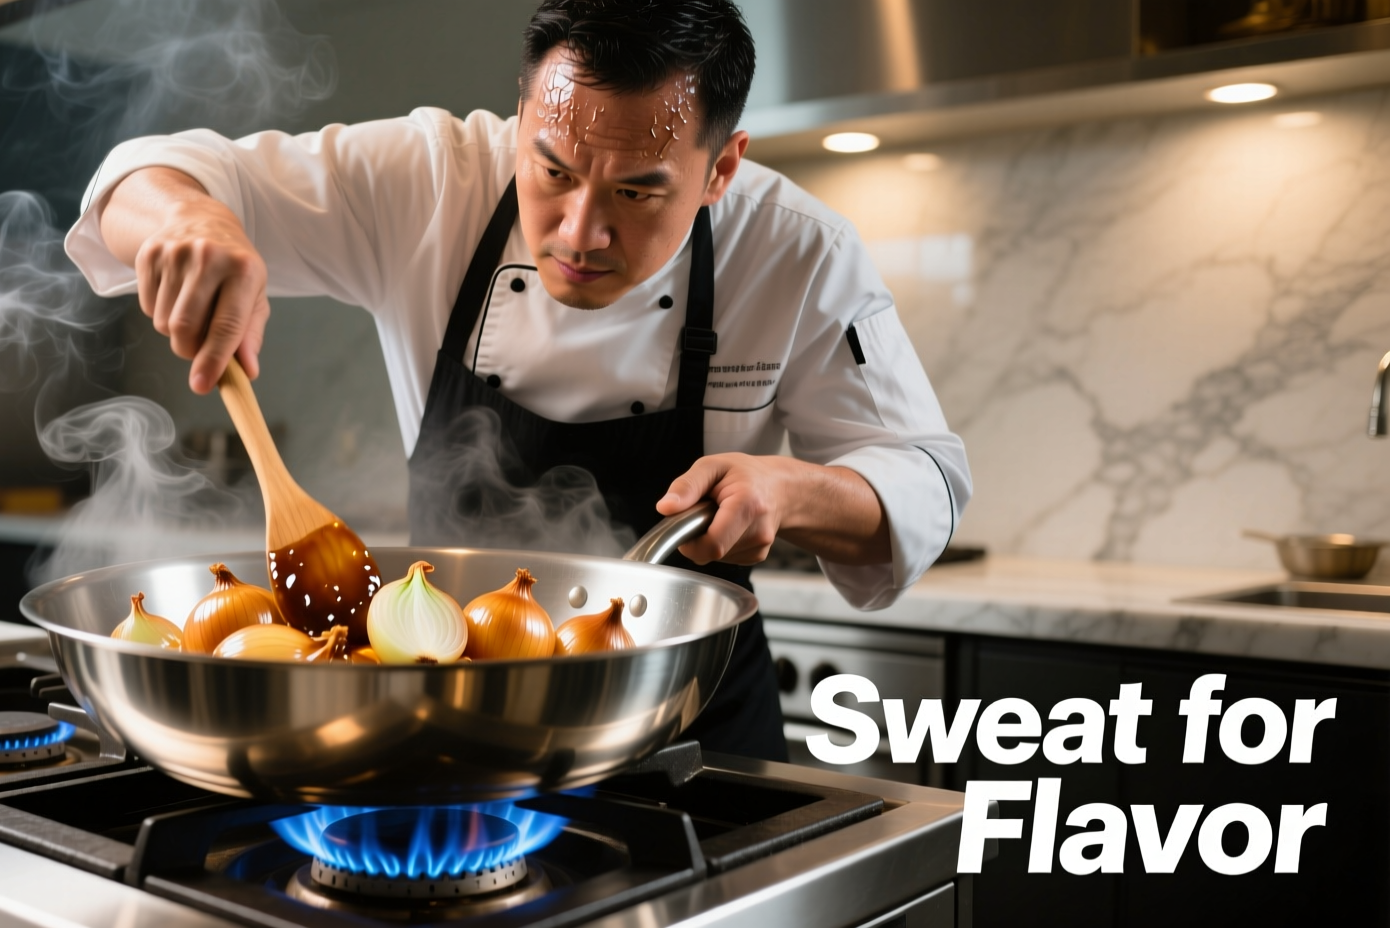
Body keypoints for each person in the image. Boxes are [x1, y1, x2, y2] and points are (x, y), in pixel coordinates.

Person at [65, 0, 971, 762]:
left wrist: (795, 486)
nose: (581, 232)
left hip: (687, 724)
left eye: (638, 193)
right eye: (554, 169)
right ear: (523, 116)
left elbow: (925, 478)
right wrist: (189, 218)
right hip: (454, 713)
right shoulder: (429, 179)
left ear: (722, 168)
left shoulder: (798, 251)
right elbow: (141, 177)